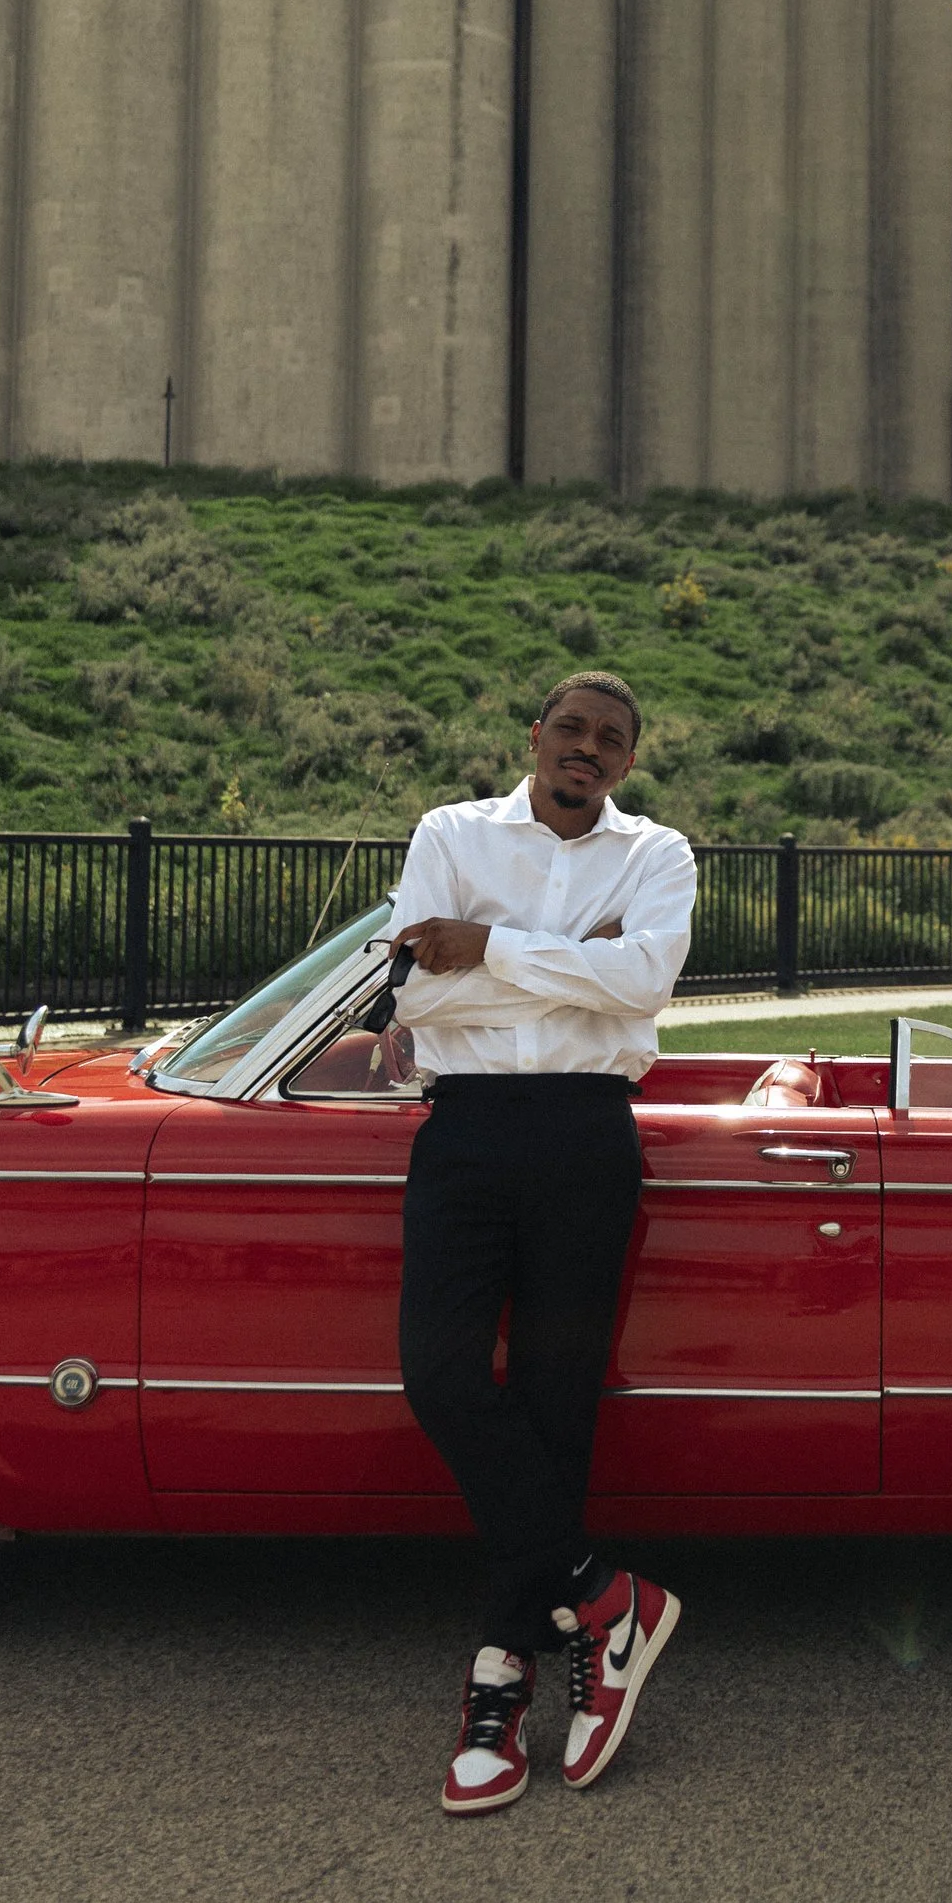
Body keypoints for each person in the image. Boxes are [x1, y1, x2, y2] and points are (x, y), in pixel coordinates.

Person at [388, 671, 698, 1816]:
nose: (587, 748)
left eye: (610, 739)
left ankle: (499, 1682)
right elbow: (410, 999)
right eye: (570, 729)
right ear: (534, 738)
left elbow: (646, 983)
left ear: (626, 761)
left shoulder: (656, 856)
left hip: (583, 1135)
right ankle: (605, 1595)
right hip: (463, 1132)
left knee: (560, 1402)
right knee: (443, 1376)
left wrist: (493, 949)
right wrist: (574, 962)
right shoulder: (451, 832)